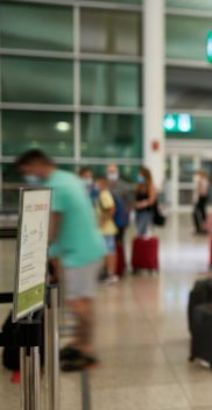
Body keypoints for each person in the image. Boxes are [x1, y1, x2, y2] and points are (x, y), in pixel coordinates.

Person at [16, 150, 107, 372]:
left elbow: (52, 230)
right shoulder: (68, 178)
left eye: (27, 170)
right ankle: (80, 344)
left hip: (80, 253)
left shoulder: (57, 187)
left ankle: (87, 352)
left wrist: (42, 251)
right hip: (89, 248)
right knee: (83, 301)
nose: (28, 175)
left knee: (79, 304)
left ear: (36, 164)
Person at [106, 164, 133, 275]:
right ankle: (108, 267)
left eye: (114, 171)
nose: (112, 174)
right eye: (110, 171)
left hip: (119, 220)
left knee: (119, 242)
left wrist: (126, 219)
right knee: (107, 243)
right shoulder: (104, 185)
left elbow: (129, 204)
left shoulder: (123, 186)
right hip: (106, 219)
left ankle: (120, 266)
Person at [93, 175, 119, 285]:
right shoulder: (103, 194)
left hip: (106, 229)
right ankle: (108, 273)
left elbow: (111, 208)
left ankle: (110, 274)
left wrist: (102, 221)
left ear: (102, 184)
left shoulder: (104, 194)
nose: (95, 185)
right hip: (105, 229)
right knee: (107, 251)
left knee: (109, 251)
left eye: (97, 183)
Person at [134, 167, 157, 236]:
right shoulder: (139, 186)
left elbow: (151, 200)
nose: (139, 177)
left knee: (143, 232)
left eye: (140, 175)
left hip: (147, 213)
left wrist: (142, 204)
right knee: (139, 231)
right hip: (139, 213)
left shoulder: (151, 186)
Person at [193, 170, 210, 235]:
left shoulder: (203, 181)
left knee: (201, 213)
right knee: (200, 213)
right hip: (200, 198)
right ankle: (200, 228)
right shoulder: (201, 181)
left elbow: (203, 191)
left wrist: (199, 185)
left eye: (198, 174)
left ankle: (204, 228)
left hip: (201, 198)